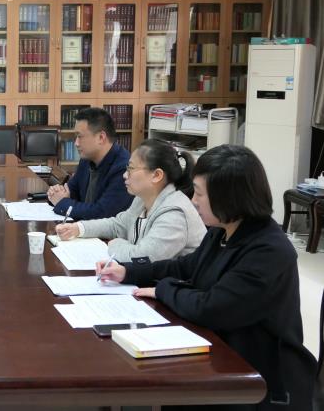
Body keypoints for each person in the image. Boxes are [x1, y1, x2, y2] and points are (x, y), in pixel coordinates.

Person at [98, 145, 316, 410]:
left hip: (257, 381)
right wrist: (129, 272)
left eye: (199, 193)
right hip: (218, 353)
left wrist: (163, 289)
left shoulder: (269, 251)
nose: (193, 200)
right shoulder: (221, 231)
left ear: (229, 198)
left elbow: (213, 308)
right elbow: (185, 267)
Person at [54, 139, 206, 262]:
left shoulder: (174, 213)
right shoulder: (142, 199)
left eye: (131, 169)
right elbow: (117, 225)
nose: (125, 175)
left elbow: (142, 258)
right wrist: (78, 228)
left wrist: (116, 243)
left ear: (156, 175)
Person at [48, 107, 132, 220]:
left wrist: (62, 202)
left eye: (80, 136)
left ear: (101, 137)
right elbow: (71, 191)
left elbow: (102, 213)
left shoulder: (123, 168)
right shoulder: (87, 159)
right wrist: (56, 193)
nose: (76, 143)